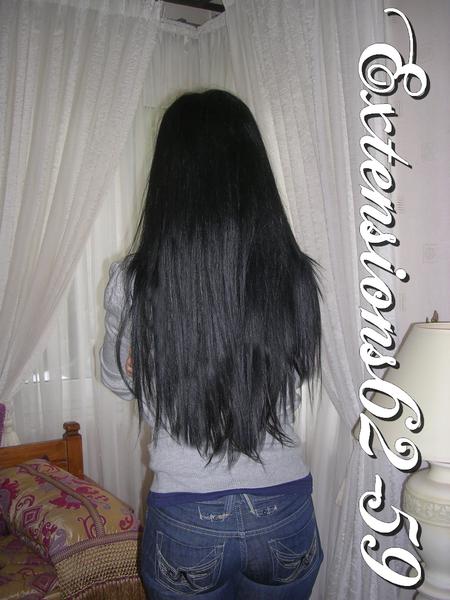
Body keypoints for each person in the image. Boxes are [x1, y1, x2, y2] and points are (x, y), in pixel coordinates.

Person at [100, 89, 323, 599]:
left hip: (187, 518)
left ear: (169, 178)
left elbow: (117, 380)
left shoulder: (133, 281)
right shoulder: (294, 274)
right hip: (285, 508)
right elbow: (294, 375)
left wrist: (144, 361)